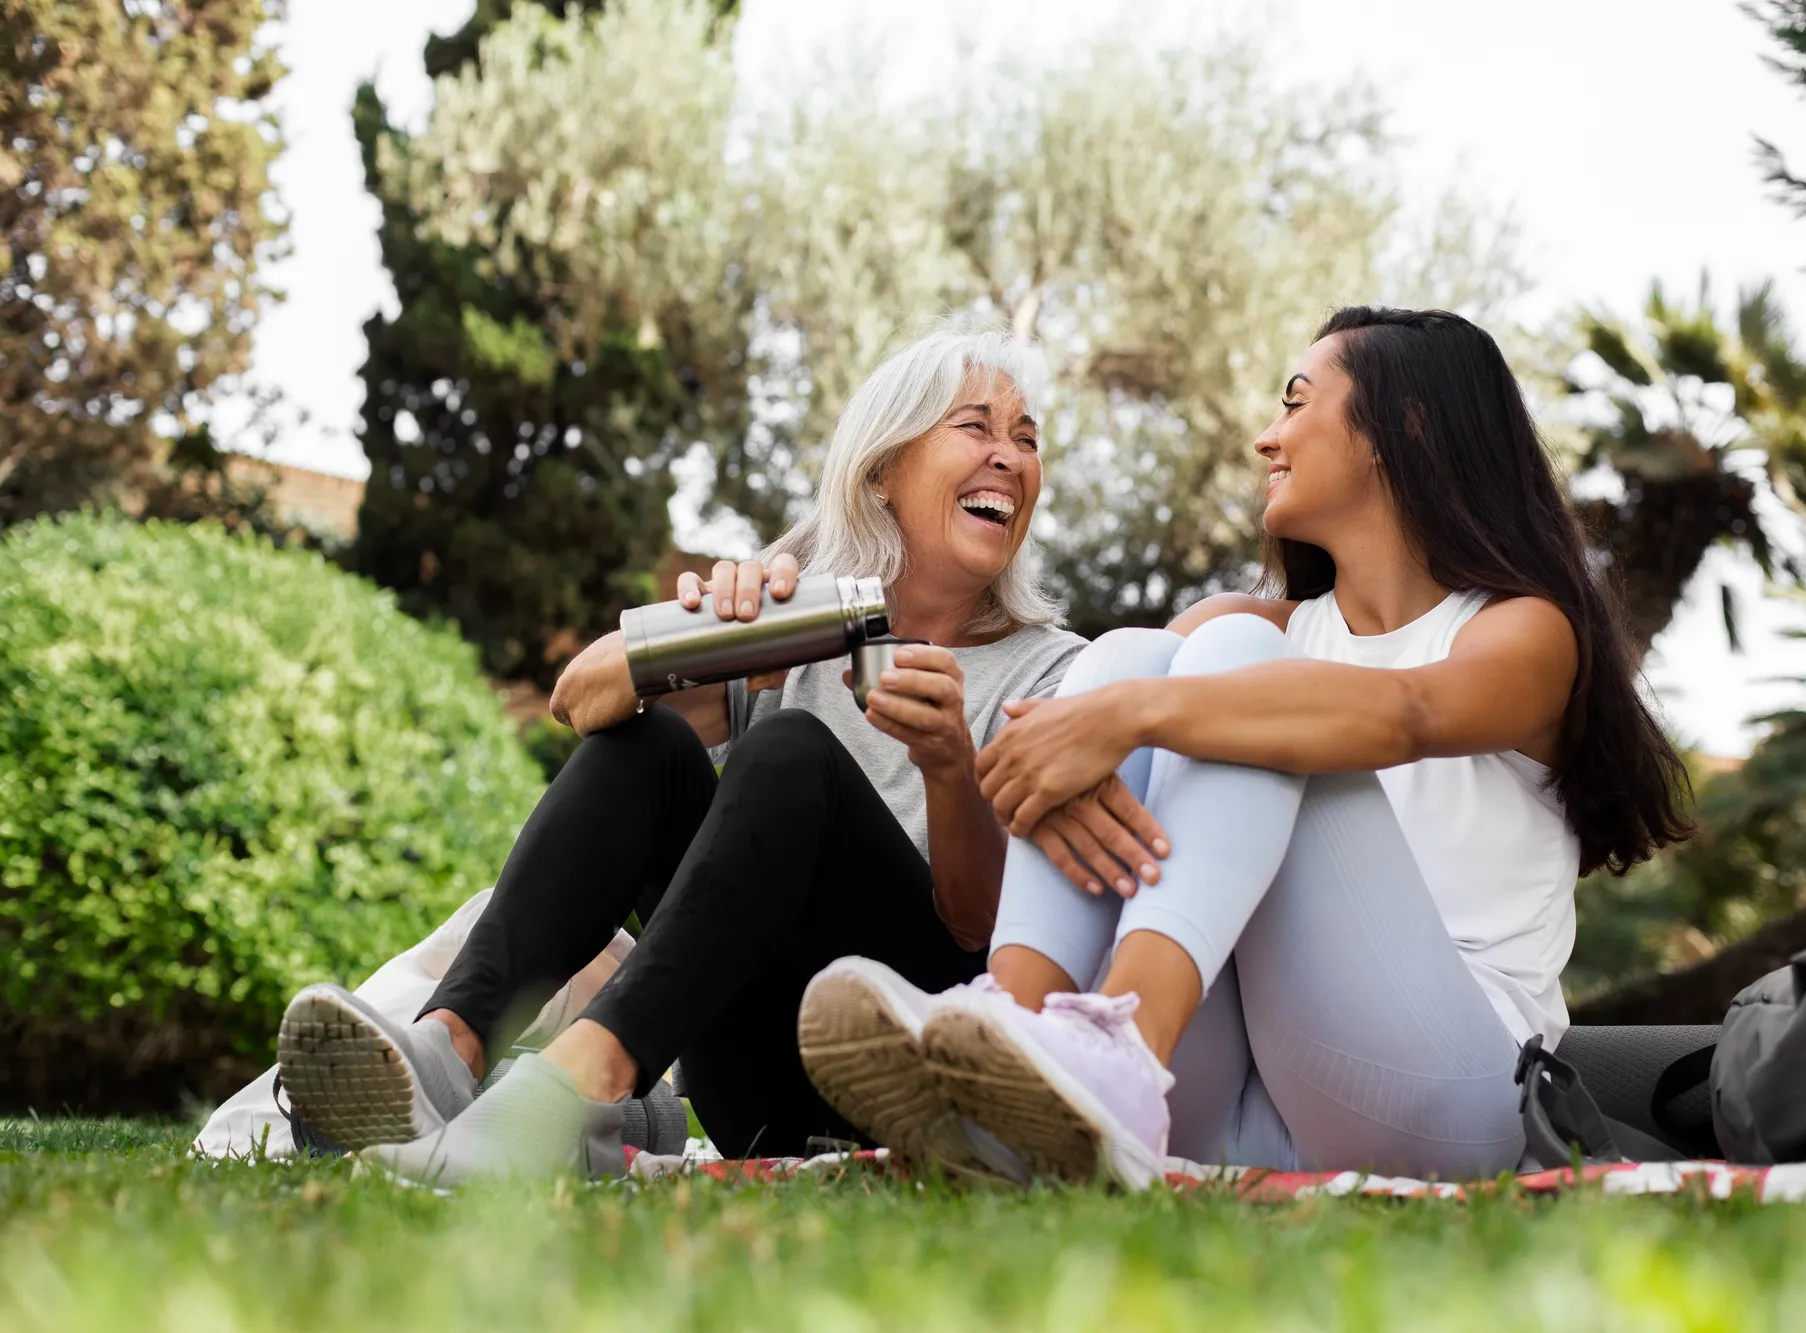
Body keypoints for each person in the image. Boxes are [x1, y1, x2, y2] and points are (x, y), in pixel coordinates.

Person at [801, 307, 1693, 1187]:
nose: (1268, 439)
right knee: (1131, 654)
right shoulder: (1250, 622)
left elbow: (1407, 711)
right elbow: (1127, 698)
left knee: (1222, 669)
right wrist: (1106, 714)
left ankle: (1118, 1043)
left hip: (1454, 1100)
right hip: (1232, 1110)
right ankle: (1010, 1042)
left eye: (1297, 404)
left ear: (1403, 427)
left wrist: (1136, 718)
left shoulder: (1523, 632)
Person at [274, 328, 1082, 1183]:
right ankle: (446, 1054)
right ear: (881, 469)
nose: (1008, 458)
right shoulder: (799, 618)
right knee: (651, 739)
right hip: (753, 1077)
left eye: (1025, 439)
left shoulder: (1055, 669)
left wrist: (951, 766)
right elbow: (576, 701)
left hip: (911, 1069)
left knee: (788, 753)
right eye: (978, 427)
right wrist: (706, 642)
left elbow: (995, 935)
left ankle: (570, 1094)